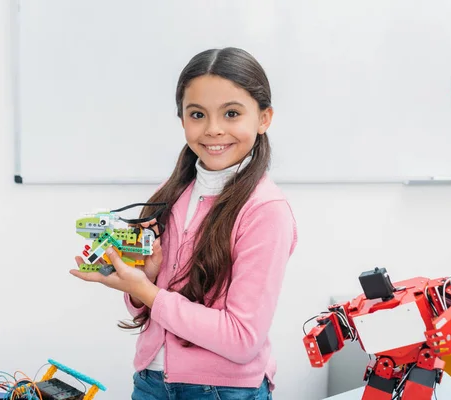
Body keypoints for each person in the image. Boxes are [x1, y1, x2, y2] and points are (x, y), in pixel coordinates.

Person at [71, 47, 298, 399]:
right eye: (197, 114)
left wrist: (148, 291)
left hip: (222, 391)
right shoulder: (174, 193)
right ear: (182, 119)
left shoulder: (265, 210)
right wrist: (141, 280)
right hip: (151, 381)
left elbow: (242, 339)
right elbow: (154, 306)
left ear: (264, 118)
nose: (213, 130)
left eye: (232, 113)